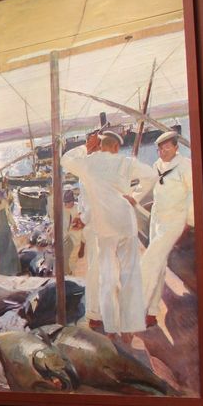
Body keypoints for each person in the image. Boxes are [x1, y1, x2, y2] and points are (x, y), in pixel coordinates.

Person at [61, 130, 155, 338]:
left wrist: (85, 148)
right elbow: (150, 175)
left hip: (103, 227)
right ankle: (130, 325)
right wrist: (134, 196)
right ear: (115, 146)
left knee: (105, 276)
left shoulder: (89, 163)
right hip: (125, 224)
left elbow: (66, 159)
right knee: (129, 273)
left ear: (99, 145)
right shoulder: (125, 162)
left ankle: (108, 325)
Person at [138, 130, 194, 326]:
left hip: (175, 219)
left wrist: (188, 222)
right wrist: (132, 198)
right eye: (160, 148)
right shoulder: (157, 166)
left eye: (166, 147)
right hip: (157, 218)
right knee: (159, 264)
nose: (162, 151)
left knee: (150, 259)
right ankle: (151, 312)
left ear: (176, 147)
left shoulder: (185, 166)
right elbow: (147, 186)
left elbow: (192, 195)